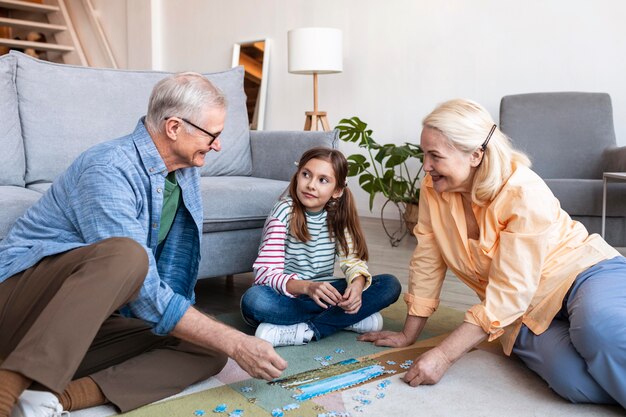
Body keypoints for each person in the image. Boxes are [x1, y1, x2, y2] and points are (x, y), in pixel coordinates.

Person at [0, 72, 287, 417]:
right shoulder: (108, 167)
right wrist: (237, 340)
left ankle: (51, 398)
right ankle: (7, 389)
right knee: (127, 254)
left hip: (77, 325)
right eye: (213, 134)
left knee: (207, 349)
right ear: (174, 127)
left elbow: (162, 284)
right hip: (19, 307)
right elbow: (143, 287)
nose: (218, 145)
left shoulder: (183, 171)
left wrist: (220, 339)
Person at [360, 99, 626, 408]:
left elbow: (510, 290)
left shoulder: (523, 191)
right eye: (424, 154)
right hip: (522, 311)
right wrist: (409, 334)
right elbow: (428, 260)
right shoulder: (433, 188)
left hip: (583, 273)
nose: (426, 166)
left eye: (435, 156)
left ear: (475, 155)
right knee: (572, 381)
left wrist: (445, 354)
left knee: (597, 331)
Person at [240, 147, 402, 347]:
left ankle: (305, 330)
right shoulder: (283, 211)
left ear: (337, 191)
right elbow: (265, 274)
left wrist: (357, 288)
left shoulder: (337, 217)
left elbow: (352, 262)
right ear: (297, 176)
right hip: (288, 296)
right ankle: (345, 320)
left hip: (325, 295)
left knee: (389, 285)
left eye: (322, 180)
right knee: (255, 300)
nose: (310, 185)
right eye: (306, 175)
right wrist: (308, 287)